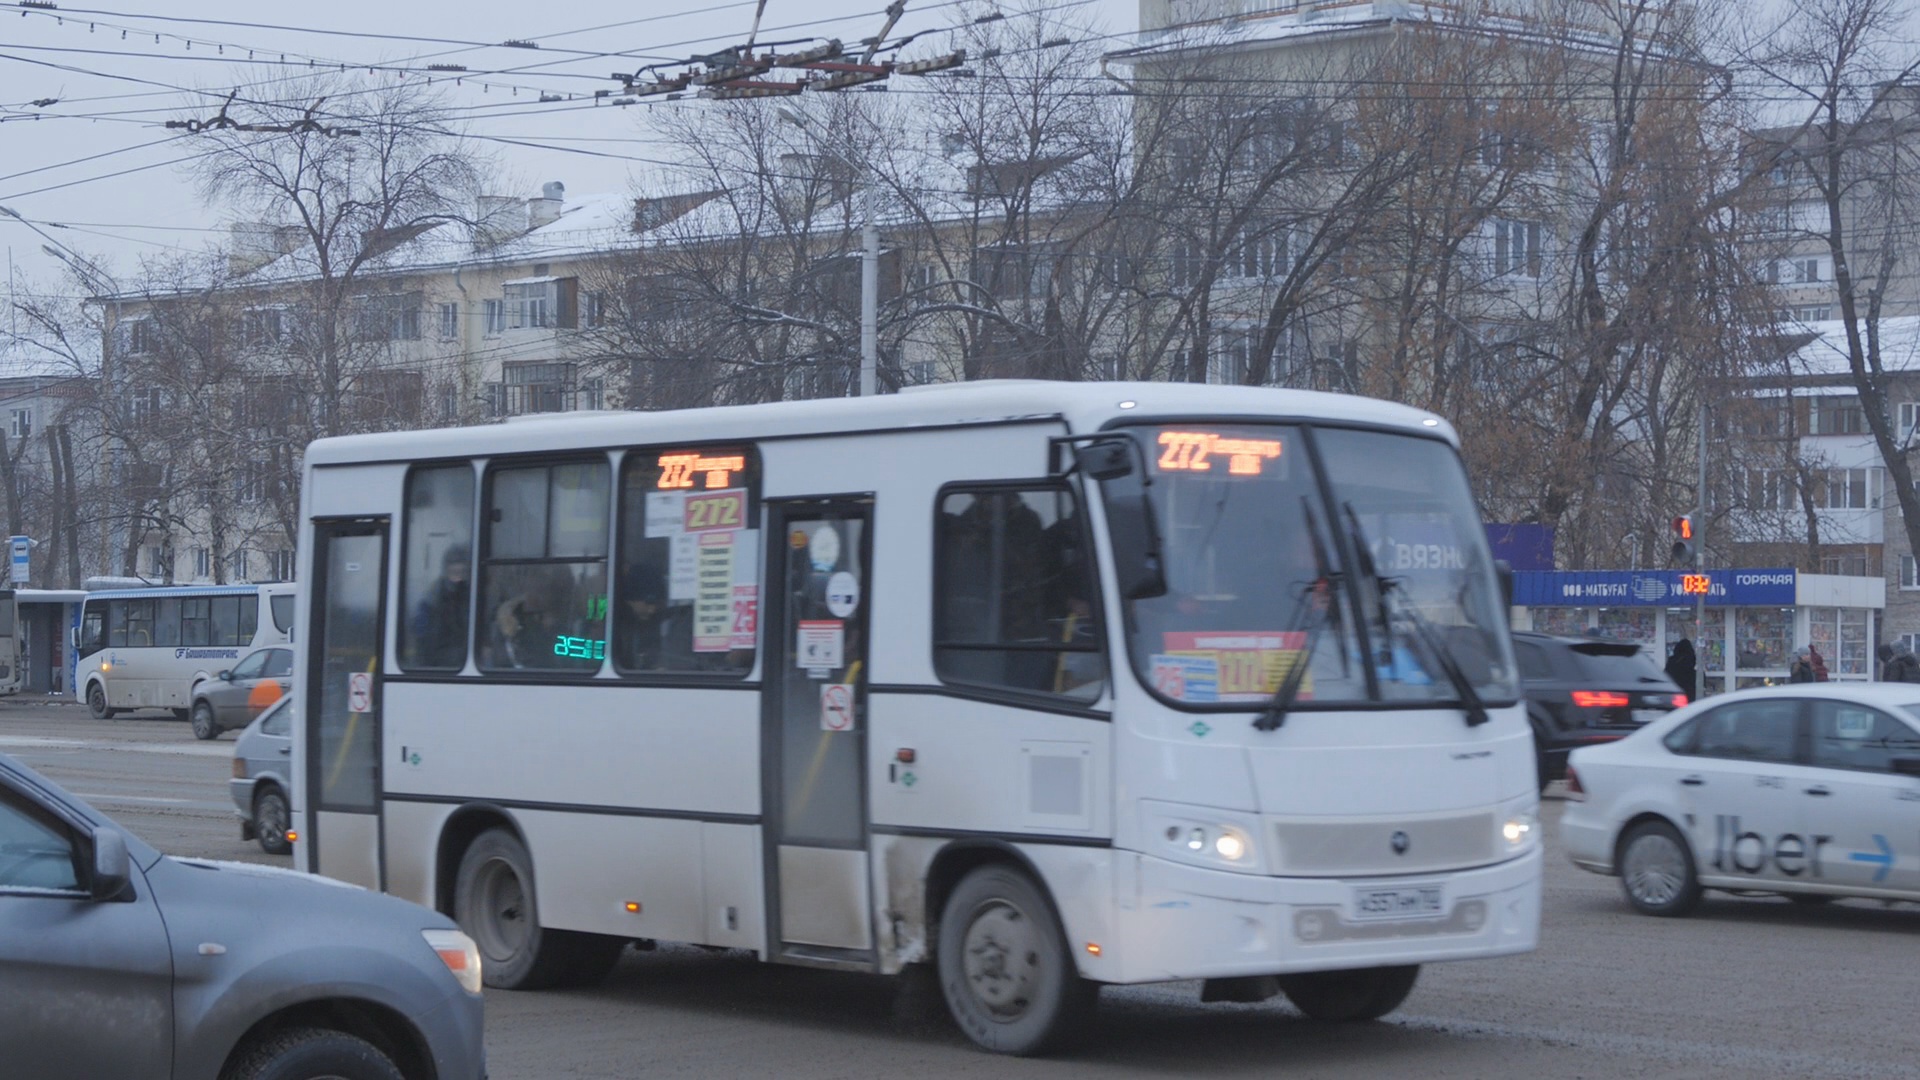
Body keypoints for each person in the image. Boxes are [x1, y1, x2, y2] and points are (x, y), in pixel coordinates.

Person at [409, 546, 470, 669]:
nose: (458, 572)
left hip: (464, 656)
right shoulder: (433, 596)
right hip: (436, 661)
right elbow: (421, 631)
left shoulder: (472, 595)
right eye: (454, 568)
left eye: (461, 570)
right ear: (446, 569)